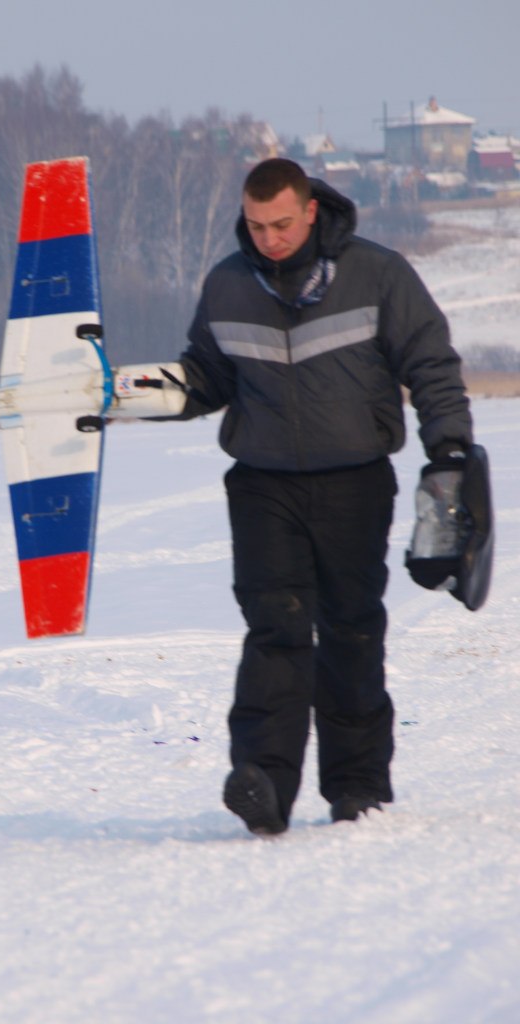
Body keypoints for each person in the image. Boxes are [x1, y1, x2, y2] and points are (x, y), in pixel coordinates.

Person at [168, 158, 473, 835]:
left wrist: (449, 450)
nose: (269, 238)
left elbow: (431, 360)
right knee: (275, 629)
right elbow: (206, 376)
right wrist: (149, 393)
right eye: (256, 226)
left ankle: (358, 787)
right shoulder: (226, 284)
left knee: (351, 629)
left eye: (280, 224)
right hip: (262, 483)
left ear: (310, 211)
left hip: (354, 480)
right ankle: (264, 784)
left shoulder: (377, 273)